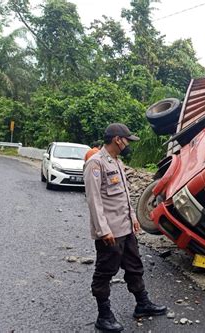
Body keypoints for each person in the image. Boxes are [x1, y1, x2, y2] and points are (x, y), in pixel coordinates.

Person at [84, 123, 166, 332]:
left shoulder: (117, 162)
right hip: (110, 232)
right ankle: (103, 315)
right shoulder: (96, 164)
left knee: (134, 266)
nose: (129, 143)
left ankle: (142, 303)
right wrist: (103, 230)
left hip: (126, 228)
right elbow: (94, 201)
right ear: (117, 139)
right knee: (105, 272)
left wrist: (133, 217)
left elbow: (123, 196)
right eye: (127, 140)